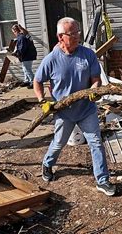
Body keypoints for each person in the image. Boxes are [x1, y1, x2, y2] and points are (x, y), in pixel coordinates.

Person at [33, 17, 116, 196]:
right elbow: (37, 81)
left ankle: (102, 180)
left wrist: (94, 89)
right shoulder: (51, 59)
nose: (78, 36)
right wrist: (42, 101)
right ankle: (47, 164)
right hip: (64, 113)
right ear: (60, 37)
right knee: (58, 144)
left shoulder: (87, 54)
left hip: (87, 109)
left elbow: (96, 78)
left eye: (78, 32)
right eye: (73, 33)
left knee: (96, 143)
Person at [12, 24, 37, 88]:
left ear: (16, 31)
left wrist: (16, 54)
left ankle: (33, 82)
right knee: (24, 68)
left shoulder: (21, 37)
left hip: (27, 55)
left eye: (14, 32)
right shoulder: (25, 35)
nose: (14, 34)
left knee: (27, 69)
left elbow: (22, 48)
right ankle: (27, 81)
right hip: (29, 54)